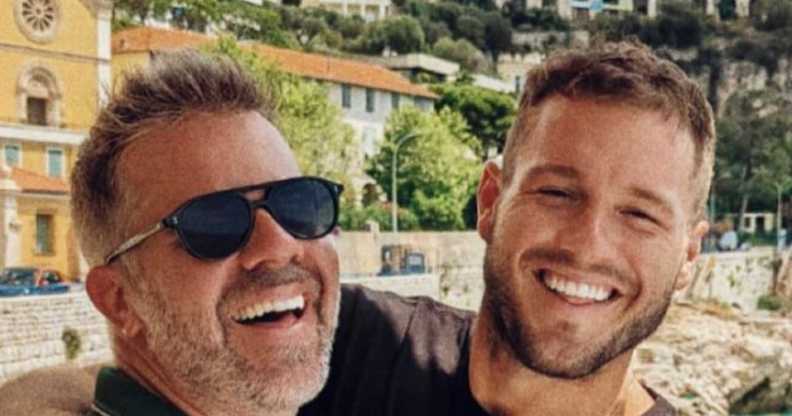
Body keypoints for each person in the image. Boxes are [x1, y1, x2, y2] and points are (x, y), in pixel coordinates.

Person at [0, 40, 713, 416]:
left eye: (640, 214)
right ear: (491, 201)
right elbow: (138, 375)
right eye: (557, 192)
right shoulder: (350, 347)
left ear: (689, 255)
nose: (589, 243)